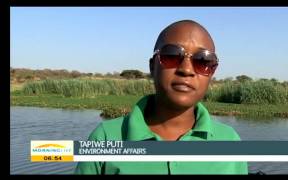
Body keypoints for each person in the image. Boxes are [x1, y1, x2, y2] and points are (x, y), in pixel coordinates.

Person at [75, 19, 248, 174]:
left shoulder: (229, 141)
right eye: (172, 55)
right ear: (152, 67)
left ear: (211, 73)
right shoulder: (106, 138)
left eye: (203, 61)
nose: (186, 70)